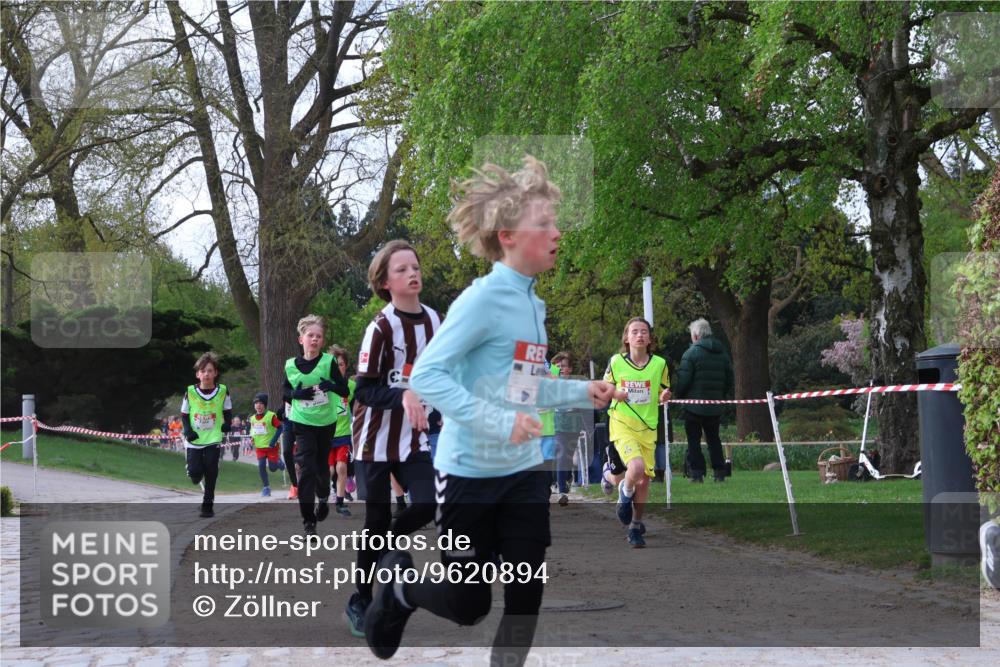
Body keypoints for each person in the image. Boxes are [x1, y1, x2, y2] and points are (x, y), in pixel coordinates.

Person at [361, 156, 624, 665]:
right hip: (468, 475)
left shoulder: (534, 306)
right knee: (469, 605)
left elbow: (523, 389)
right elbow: (429, 376)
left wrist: (578, 391)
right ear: (507, 235)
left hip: (523, 472)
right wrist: (501, 422)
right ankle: (400, 592)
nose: (556, 232)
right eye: (543, 223)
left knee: (526, 595)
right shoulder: (480, 301)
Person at [344, 239, 441, 638]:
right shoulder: (380, 328)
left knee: (428, 502)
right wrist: (403, 394)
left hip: (412, 439)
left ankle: (387, 548)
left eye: (415, 267)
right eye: (401, 270)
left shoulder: (436, 321)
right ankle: (360, 598)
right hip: (373, 440)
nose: (412, 274)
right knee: (376, 518)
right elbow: (363, 391)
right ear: (385, 282)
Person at [603, 317, 671, 547]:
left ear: (650, 338)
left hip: (648, 428)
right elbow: (605, 388)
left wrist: (664, 397)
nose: (640, 335)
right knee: (636, 469)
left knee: (644, 482)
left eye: (644, 331)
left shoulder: (659, 364)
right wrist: (616, 393)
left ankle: (635, 525)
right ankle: (624, 493)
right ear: (626, 338)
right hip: (622, 424)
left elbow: (664, 389)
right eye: (634, 332)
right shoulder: (616, 362)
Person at [283, 314, 350, 535]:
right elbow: (284, 393)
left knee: (322, 468)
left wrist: (330, 385)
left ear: (322, 341)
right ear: (301, 338)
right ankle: (308, 521)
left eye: (318, 336)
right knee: (306, 468)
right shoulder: (291, 365)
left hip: (326, 423)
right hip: (301, 422)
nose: (314, 339)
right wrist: (296, 393)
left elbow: (344, 390)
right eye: (310, 335)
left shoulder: (328, 362)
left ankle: (323, 496)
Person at [673, 318, 734, 483]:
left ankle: (697, 474)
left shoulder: (691, 353)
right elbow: (729, 379)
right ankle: (719, 472)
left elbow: (684, 381)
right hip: (715, 406)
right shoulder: (722, 353)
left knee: (694, 440)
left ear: (695, 335)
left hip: (694, 406)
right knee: (714, 439)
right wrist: (720, 395)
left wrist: (679, 396)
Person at [181, 352, 233, 518]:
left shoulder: (223, 391)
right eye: (203, 371)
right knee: (196, 474)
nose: (206, 374)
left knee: (211, 469)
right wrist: (188, 431)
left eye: (210, 371)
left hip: (213, 437)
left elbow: (227, 410)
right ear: (198, 374)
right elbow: (184, 414)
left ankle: (208, 504)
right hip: (194, 439)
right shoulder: (190, 392)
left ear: (215, 373)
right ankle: (194, 472)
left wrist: (227, 424)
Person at [552, 351, 585, 506]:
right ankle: (562, 492)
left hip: (574, 425)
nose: (560, 369)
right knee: (561, 455)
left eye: (563, 366)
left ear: (570, 369)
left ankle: (567, 478)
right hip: (558, 426)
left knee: (568, 458)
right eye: (557, 366)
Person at [328, 345, 356, 516]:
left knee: (341, 468)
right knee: (330, 471)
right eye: (335, 364)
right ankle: (327, 495)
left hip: (344, 434)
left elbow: (358, 406)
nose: (338, 367)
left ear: (346, 366)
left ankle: (340, 502)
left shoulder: (351, 386)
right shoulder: (325, 385)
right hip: (326, 434)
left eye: (341, 364)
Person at [248, 393, 284, 497]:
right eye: (256, 403)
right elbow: (253, 431)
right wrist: (252, 439)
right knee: (261, 466)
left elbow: (280, 428)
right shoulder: (253, 418)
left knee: (273, 468)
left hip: (271, 447)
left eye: (260, 403)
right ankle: (266, 487)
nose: (258, 406)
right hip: (260, 448)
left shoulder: (271, 416)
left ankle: (278, 461)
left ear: (265, 405)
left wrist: (273, 441)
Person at [280, 400, 299, 499]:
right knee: (286, 452)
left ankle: (310, 484)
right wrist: (281, 413)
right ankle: (294, 484)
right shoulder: (287, 390)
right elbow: (280, 412)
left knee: (304, 455)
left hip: (303, 424)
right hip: (288, 426)